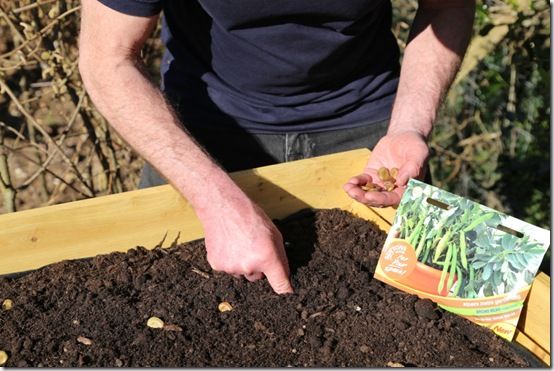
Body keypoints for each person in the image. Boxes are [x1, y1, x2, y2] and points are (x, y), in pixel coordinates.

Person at [78, 0, 475, 294]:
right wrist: (214, 199)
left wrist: (409, 126)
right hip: (204, 134)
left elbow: (448, 6)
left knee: (434, 300)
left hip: (370, 132)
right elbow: (106, 60)